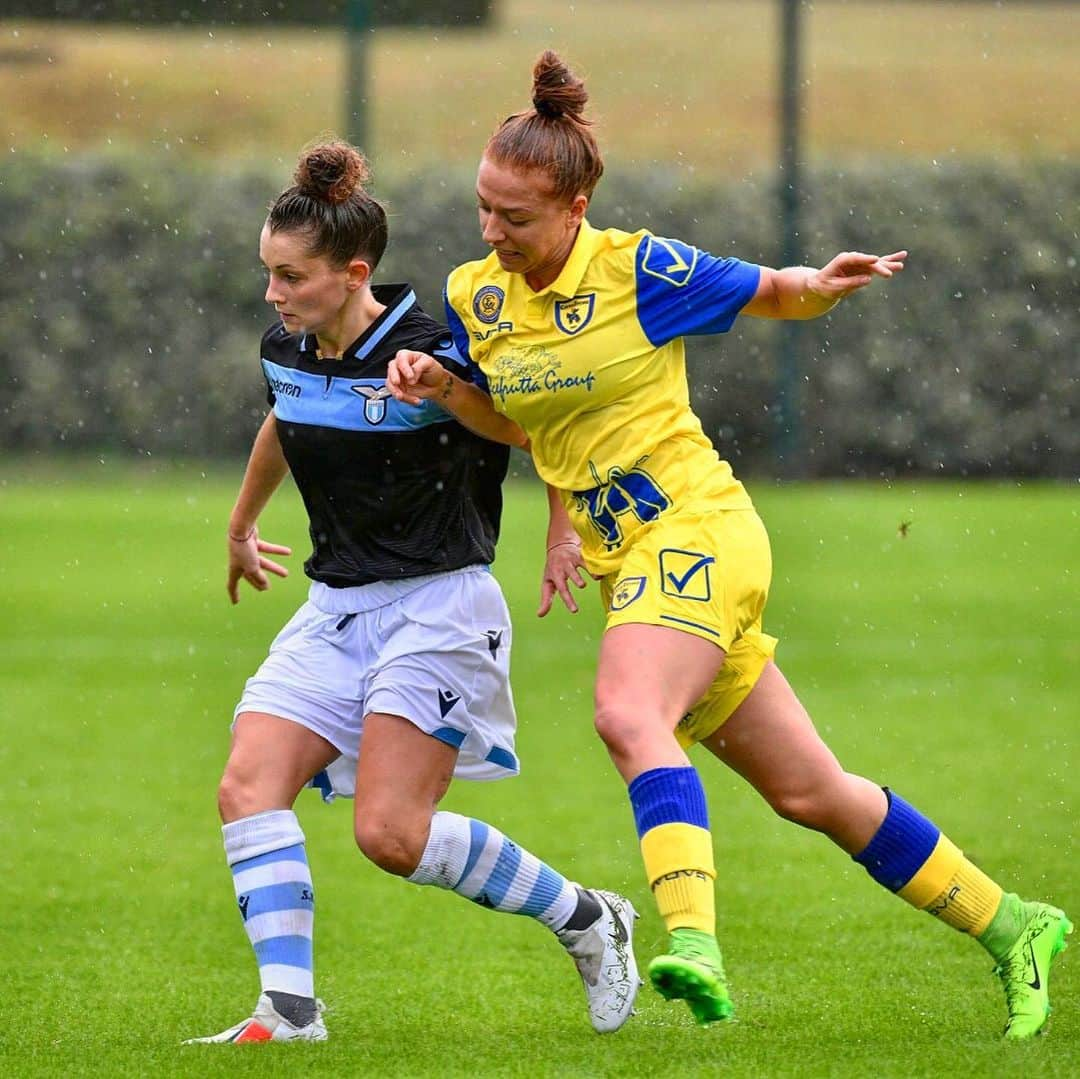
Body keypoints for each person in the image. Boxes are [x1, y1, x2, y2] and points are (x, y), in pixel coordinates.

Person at [386, 52, 1072, 1039]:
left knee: (628, 711)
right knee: (813, 791)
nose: (492, 232)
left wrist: (823, 286)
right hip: (640, 563)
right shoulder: (477, 296)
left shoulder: (636, 269)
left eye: (515, 216)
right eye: (483, 208)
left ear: (575, 205)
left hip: (699, 530)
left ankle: (695, 944)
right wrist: (445, 385)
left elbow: (776, 291)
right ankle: (1016, 924)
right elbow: (522, 424)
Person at [185, 140, 641, 1045]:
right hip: (335, 607)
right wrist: (241, 525)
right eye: (268, 274)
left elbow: (531, 422)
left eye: (291, 276)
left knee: (390, 835)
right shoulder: (288, 346)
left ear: (354, 274)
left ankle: (590, 917)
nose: (274, 295)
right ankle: (289, 1009)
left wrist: (562, 532)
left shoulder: (434, 348)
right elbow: (285, 414)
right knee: (247, 785)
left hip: (441, 606)